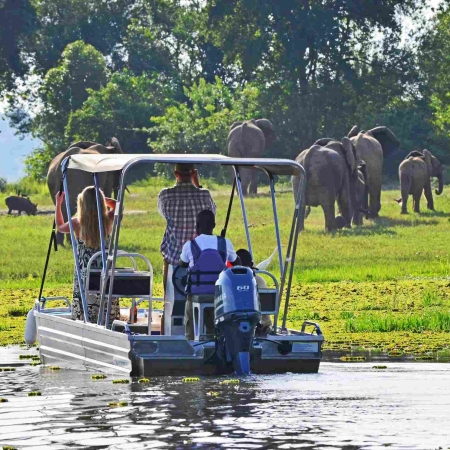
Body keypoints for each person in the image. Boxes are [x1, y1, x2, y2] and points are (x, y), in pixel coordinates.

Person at [158, 163, 216, 334]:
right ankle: (201, 332)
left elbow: (164, 215)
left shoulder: (165, 195)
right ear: (193, 173)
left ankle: (166, 336)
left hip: (174, 258)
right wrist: (198, 185)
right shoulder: (204, 195)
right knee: (199, 300)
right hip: (199, 260)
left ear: (176, 173)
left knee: (170, 303)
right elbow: (210, 215)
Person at [55, 187, 120, 324]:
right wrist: (104, 200)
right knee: (105, 296)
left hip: (85, 272)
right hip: (104, 270)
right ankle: (108, 323)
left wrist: (58, 204)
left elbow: (59, 226)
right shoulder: (108, 219)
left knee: (85, 299)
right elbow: (120, 205)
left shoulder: (77, 223)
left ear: (81, 204)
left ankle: (85, 322)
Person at [179, 210, 241, 340]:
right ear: (214, 225)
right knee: (217, 325)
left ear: (197, 226)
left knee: (190, 319)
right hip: (220, 294)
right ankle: (218, 342)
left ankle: (191, 342)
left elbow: (182, 264)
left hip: (196, 294)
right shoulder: (225, 243)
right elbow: (237, 263)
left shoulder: (190, 245)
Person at [236, 249, 273, 334]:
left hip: (239, 323)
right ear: (251, 265)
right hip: (263, 324)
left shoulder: (232, 282)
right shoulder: (260, 280)